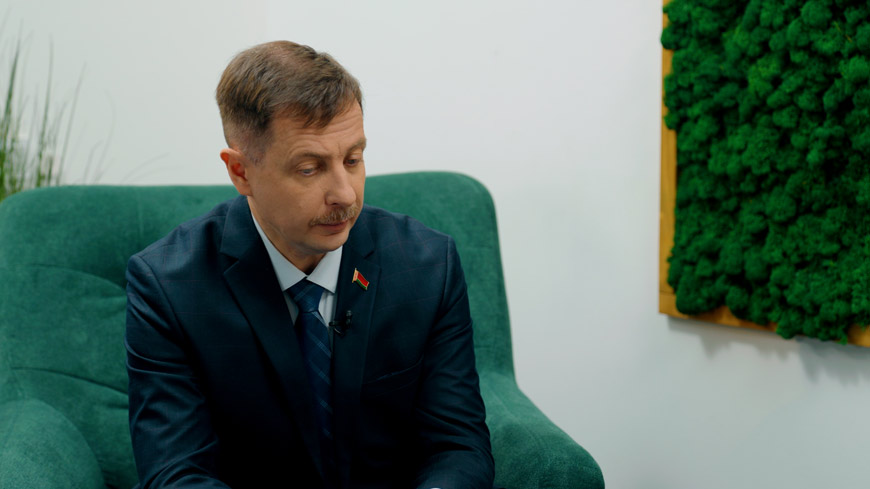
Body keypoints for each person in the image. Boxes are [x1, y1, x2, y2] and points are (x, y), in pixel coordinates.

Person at [124, 40, 494, 489]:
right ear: (241, 172)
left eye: (353, 159)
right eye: (309, 168)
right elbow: (176, 471)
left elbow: (457, 446)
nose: (345, 194)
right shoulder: (168, 286)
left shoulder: (428, 265)